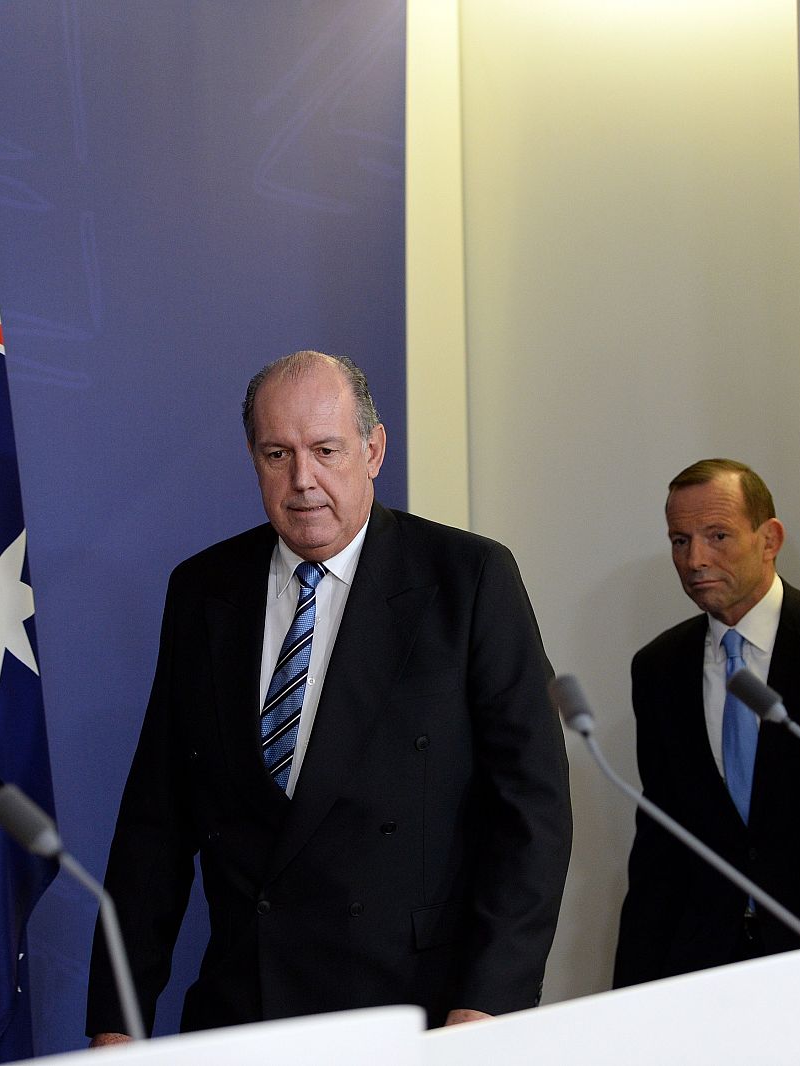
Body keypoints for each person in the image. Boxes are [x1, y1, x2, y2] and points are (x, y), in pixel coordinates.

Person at [87, 351, 572, 1042]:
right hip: (244, 1012)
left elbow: (533, 812)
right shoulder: (203, 590)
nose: (302, 480)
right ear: (252, 456)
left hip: (416, 1017)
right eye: (277, 453)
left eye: (325, 450)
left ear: (373, 450)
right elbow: (153, 827)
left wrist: (488, 1004)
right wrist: (117, 1018)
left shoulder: (466, 579)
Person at [612, 458, 800, 986]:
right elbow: (660, 843)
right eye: (680, 541)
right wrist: (632, 993)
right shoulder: (659, 667)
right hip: (704, 963)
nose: (695, 559)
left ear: (769, 539)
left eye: (717, 535)